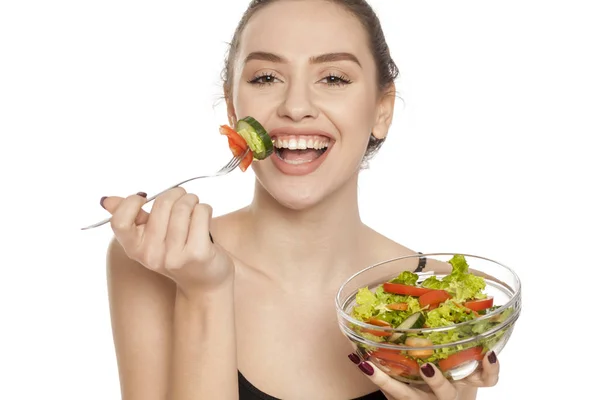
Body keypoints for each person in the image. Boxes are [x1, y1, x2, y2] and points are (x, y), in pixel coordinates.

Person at [100, 0, 501, 399]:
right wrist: (205, 292)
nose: (295, 107)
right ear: (232, 106)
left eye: (333, 79)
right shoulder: (156, 258)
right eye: (266, 77)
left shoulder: (438, 294)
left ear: (382, 110)